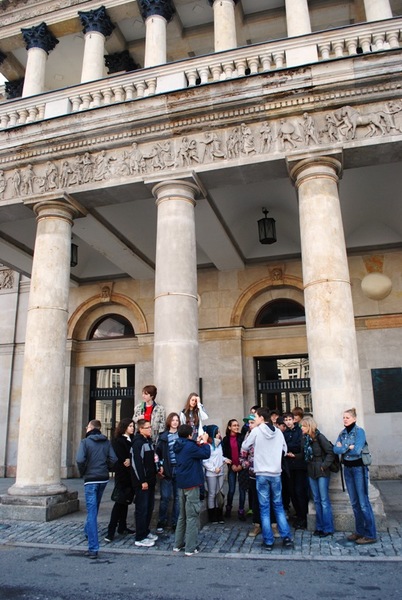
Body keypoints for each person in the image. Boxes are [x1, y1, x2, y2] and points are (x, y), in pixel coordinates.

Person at [242, 407, 294, 551]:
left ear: (261, 418)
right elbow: (284, 449)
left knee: (264, 508)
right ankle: (286, 537)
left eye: (256, 416)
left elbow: (245, 445)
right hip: (275, 473)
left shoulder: (256, 431)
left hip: (262, 473)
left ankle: (269, 541)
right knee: (278, 506)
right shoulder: (278, 431)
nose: (254, 419)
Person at [334, 408, 377, 545]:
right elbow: (335, 449)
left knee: (363, 502)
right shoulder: (342, 433)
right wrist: (348, 447)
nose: (345, 419)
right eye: (344, 417)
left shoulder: (359, 432)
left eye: (347, 417)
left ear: (354, 418)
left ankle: (370, 534)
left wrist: (343, 447)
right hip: (347, 469)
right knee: (354, 502)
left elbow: (357, 450)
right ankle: (359, 531)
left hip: (359, 469)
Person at [76, 419, 117, 558]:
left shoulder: (85, 442)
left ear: (91, 428)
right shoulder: (106, 442)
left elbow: (80, 460)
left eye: (87, 426)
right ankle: (88, 532)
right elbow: (113, 459)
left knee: (92, 511)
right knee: (94, 507)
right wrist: (106, 468)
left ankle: (93, 547)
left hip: (91, 479)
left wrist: (84, 472)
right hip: (103, 478)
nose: (86, 428)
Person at [173, 424, 210, 556]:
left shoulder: (178, 444)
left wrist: (198, 442)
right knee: (192, 516)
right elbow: (206, 454)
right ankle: (190, 547)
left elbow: (192, 450)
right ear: (190, 435)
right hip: (192, 484)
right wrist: (205, 442)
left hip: (182, 483)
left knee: (182, 516)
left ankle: (178, 544)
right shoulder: (190, 446)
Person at [301, 416, 335, 538]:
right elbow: (303, 455)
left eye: (304, 426)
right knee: (316, 499)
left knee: (324, 500)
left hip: (321, 470)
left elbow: (330, 452)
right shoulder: (305, 439)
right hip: (311, 470)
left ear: (309, 426)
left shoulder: (320, 437)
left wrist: (324, 466)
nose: (302, 428)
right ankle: (319, 526)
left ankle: (328, 527)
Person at [105, 418, 135, 543]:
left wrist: (130, 459)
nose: (132, 428)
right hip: (122, 475)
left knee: (125, 502)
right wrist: (128, 459)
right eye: (130, 426)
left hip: (130, 475)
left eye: (133, 426)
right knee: (119, 502)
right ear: (124, 427)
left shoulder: (132, 439)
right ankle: (110, 531)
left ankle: (122, 526)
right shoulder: (119, 440)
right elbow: (121, 458)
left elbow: (131, 456)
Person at [131, 419, 160, 547]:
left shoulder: (148, 442)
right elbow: (137, 463)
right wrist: (142, 480)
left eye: (150, 427)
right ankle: (140, 536)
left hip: (151, 480)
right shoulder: (138, 443)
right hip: (143, 482)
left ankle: (145, 531)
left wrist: (157, 469)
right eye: (147, 427)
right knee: (142, 509)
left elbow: (152, 459)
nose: (150, 429)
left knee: (149, 508)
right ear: (141, 429)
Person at [155, 412, 181, 533]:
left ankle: (176, 522)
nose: (175, 422)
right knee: (165, 497)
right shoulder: (163, 436)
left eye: (177, 420)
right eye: (173, 420)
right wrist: (160, 466)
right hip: (167, 469)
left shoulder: (181, 435)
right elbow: (158, 453)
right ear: (169, 422)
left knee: (177, 498)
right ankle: (162, 521)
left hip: (179, 469)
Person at [283, 411, 309, 529]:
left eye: (290, 419)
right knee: (292, 491)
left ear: (294, 420)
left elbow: (299, 446)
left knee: (300, 491)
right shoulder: (284, 433)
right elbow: (283, 446)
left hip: (299, 465)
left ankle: (303, 516)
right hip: (289, 466)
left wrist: (290, 449)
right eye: (286, 420)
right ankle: (298, 514)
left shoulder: (299, 431)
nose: (288, 422)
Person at [239, 413, 262, 537]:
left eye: (252, 422)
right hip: (253, 472)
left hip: (265, 471)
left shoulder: (263, 433)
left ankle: (271, 524)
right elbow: (243, 452)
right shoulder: (248, 435)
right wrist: (246, 463)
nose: (250, 425)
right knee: (255, 500)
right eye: (249, 423)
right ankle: (257, 524)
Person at [203, 424, 229, 524]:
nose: (219, 434)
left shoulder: (219, 445)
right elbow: (205, 461)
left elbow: (220, 457)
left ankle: (219, 513)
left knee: (219, 493)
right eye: (217, 432)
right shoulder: (208, 446)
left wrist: (225, 459)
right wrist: (213, 469)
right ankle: (212, 515)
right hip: (211, 473)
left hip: (220, 471)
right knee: (212, 493)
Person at [222, 419, 247, 520]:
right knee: (231, 489)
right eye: (234, 425)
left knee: (242, 490)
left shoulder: (242, 437)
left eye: (237, 425)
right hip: (231, 466)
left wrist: (241, 465)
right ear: (229, 427)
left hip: (241, 466)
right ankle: (228, 508)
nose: (236, 427)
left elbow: (245, 452)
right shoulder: (226, 439)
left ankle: (241, 510)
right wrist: (231, 464)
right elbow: (224, 453)